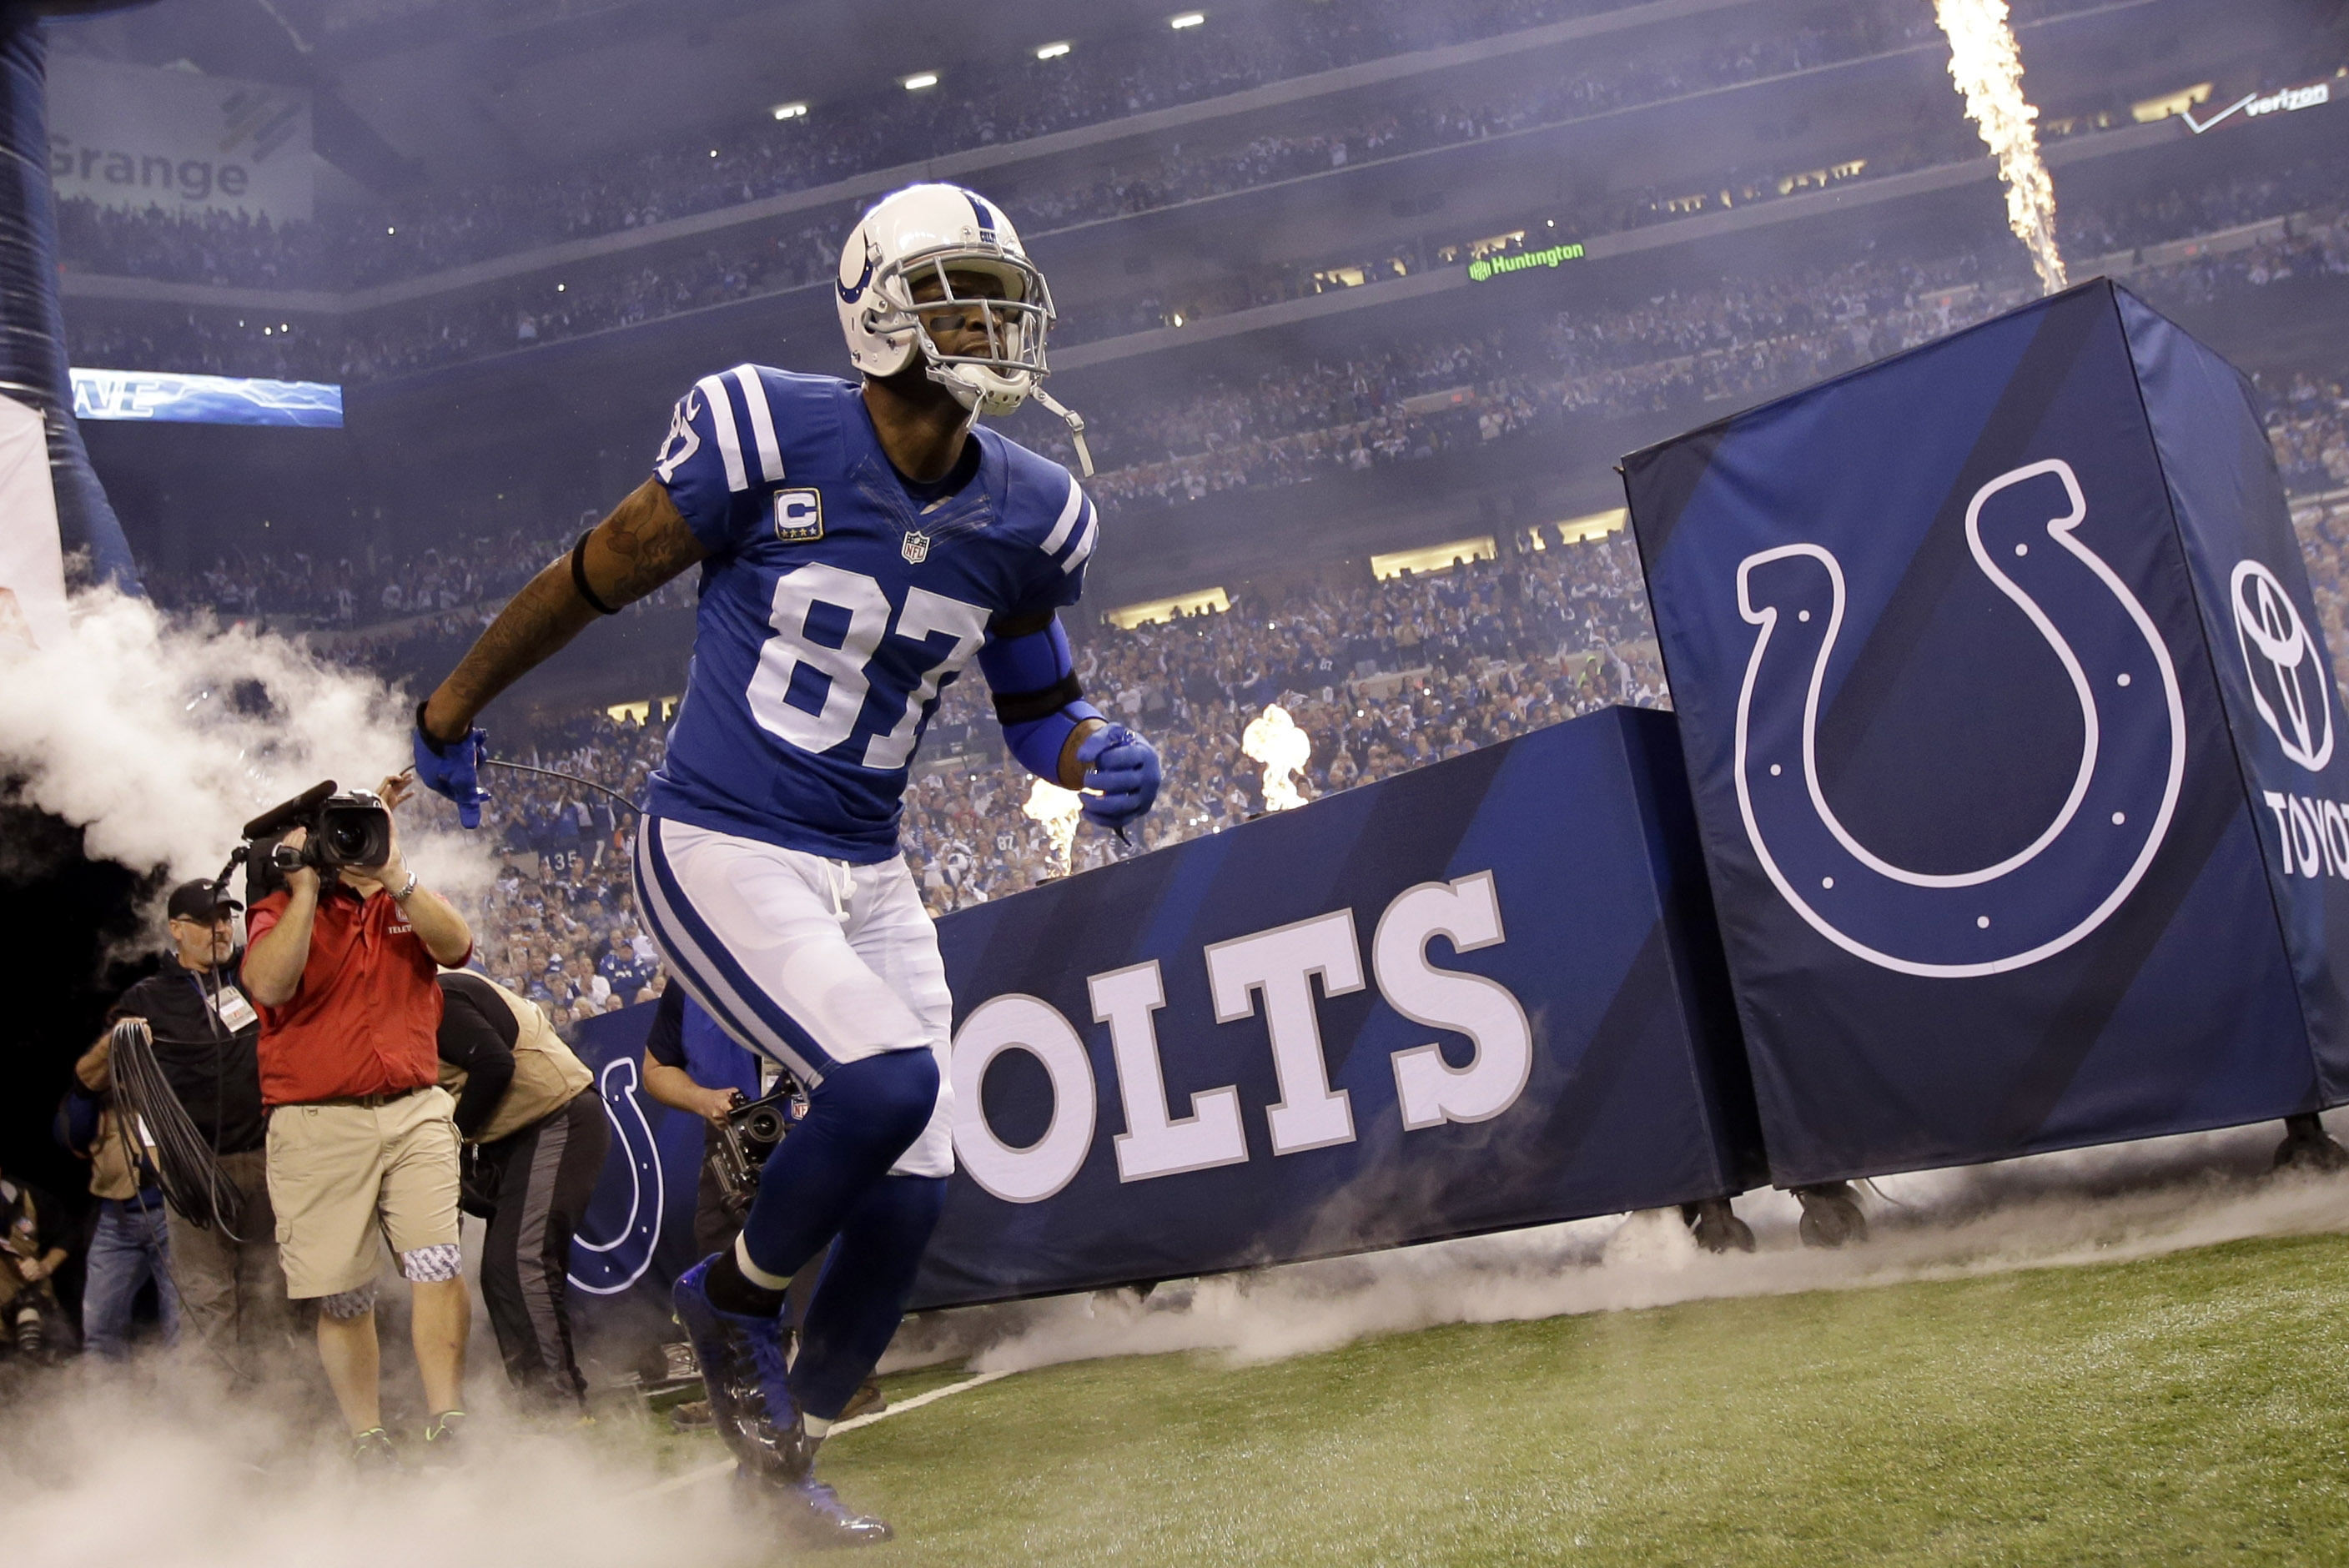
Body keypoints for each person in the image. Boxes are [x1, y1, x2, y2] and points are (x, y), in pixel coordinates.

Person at [412, 181, 1160, 1542]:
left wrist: (1093, 752)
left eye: (1000, 293)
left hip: (868, 870)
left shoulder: (1036, 511)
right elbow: (592, 572)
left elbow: (1038, 713)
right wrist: (451, 709)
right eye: (954, 293)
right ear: (877, 311)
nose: (991, 320)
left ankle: (784, 1463)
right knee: (884, 1083)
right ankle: (732, 1301)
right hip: (719, 838)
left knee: (915, 1187)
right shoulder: (766, 428)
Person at [241, 772, 476, 1469]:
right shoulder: (279, 911)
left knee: (437, 1259)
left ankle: (450, 1421)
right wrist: (307, 890)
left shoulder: (401, 900)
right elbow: (269, 985)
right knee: (343, 1294)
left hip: (413, 1111)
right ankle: (367, 1436)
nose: (356, 846)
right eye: (341, 834)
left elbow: (457, 946)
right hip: (318, 1123)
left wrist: (397, 874)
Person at [103, 879, 293, 1370]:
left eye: (226, 919)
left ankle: (276, 1415)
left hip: (267, 1158)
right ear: (176, 929)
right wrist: (124, 1036)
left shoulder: (256, 977)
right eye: (207, 921)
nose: (221, 929)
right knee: (207, 1300)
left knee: (269, 1291)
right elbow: (110, 1064)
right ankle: (218, 1422)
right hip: (196, 1171)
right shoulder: (146, 999)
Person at [434, 970, 609, 1410]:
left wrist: (454, 1139)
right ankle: (539, 1398)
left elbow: (494, 1064)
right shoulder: (426, 994)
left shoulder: (436, 994)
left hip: (556, 1116)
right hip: (524, 1131)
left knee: (520, 1260)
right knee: (501, 1270)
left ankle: (557, 1403)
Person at [62, 1033, 179, 1359]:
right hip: (116, 1220)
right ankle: (104, 1402)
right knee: (100, 1322)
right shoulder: (98, 1096)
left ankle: (185, 1402)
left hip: (173, 1216)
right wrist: (91, 1088)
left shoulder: (173, 1085)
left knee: (181, 1324)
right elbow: (72, 1135)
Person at [0, 1162, 71, 1362]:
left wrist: (45, 1266)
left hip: (36, 1309)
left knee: (59, 1368)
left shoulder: (23, 1196)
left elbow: (67, 1233)